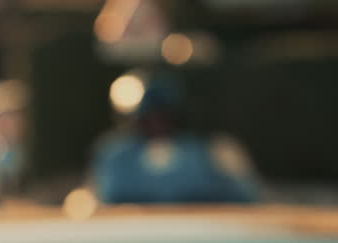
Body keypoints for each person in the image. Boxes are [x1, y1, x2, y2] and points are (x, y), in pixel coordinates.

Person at [93, 71, 259, 204]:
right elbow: (101, 200)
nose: (156, 124)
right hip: (133, 238)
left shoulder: (215, 151)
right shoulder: (115, 155)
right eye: (148, 119)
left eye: (163, 117)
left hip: (204, 236)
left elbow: (248, 197)